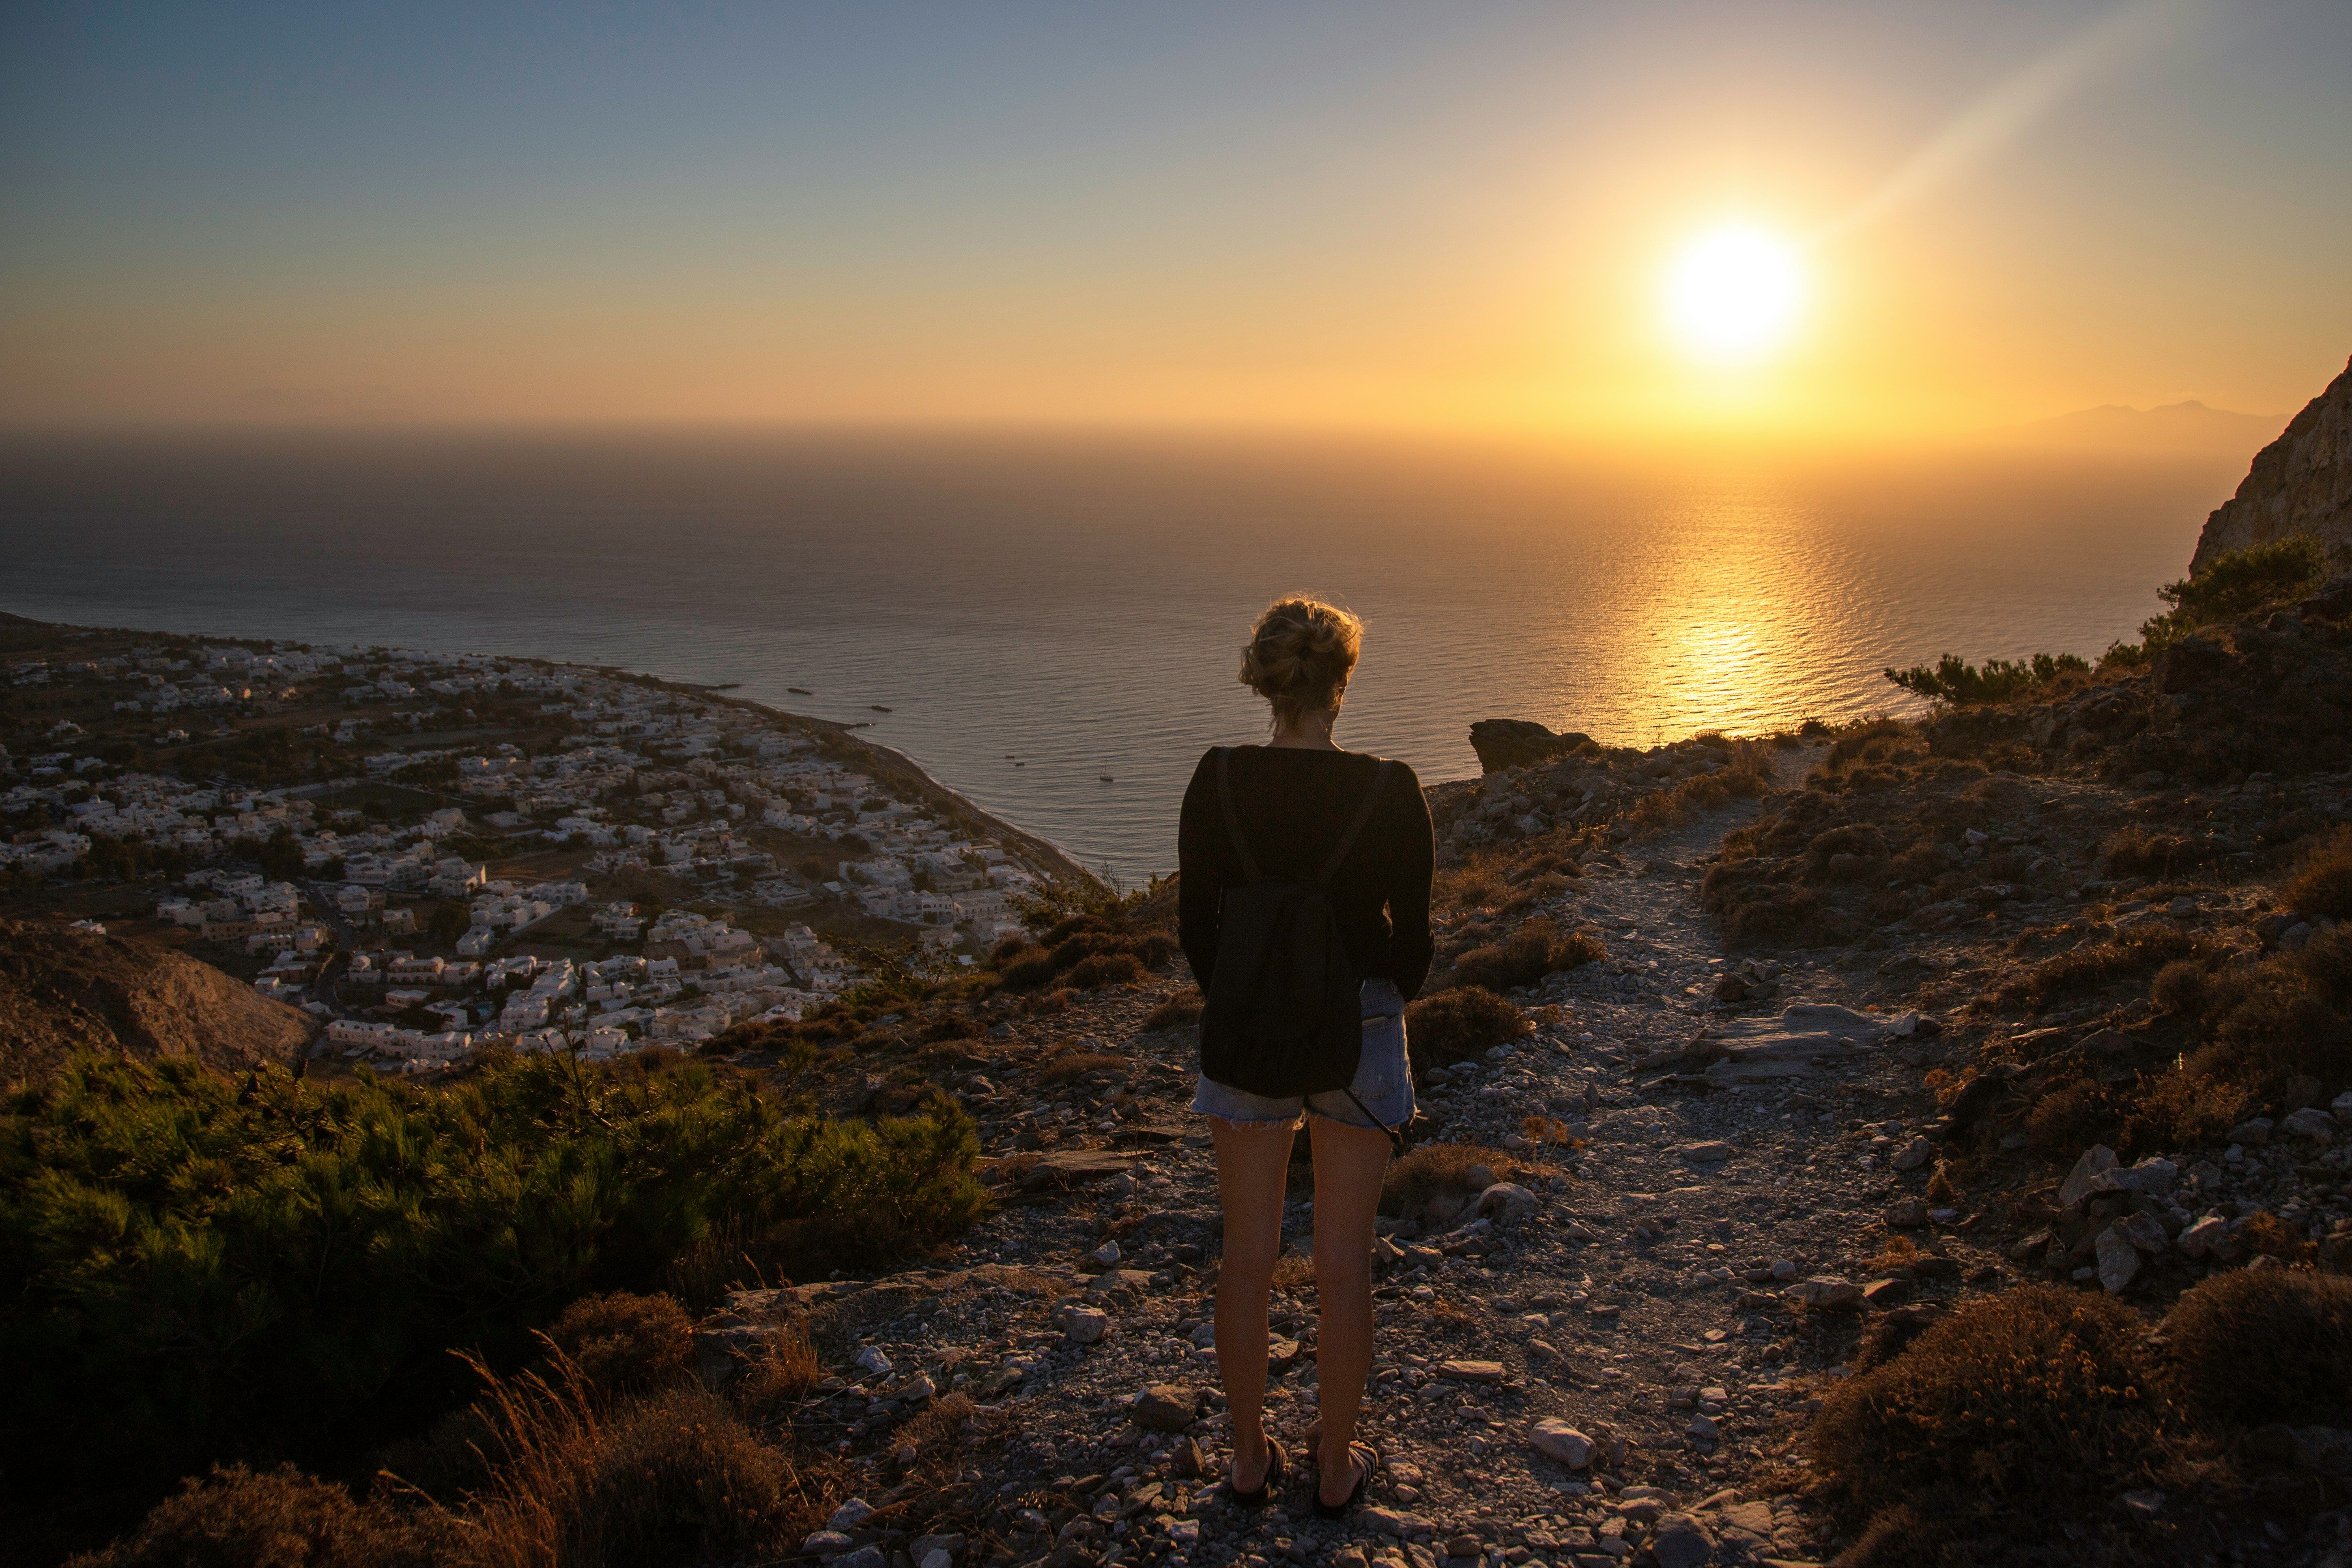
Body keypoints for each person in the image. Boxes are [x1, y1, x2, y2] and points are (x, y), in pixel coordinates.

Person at [1177, 594, 1434, 1518]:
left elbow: (1194, 929)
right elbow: (1414, 949)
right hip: (1358, 1029)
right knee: (1343, 1265)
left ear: (1262, 679)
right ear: (1343, 681)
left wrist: (1252, 991)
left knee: (1245, 1259)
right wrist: (1365, 992)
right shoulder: (1389, 789)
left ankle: (1248, 1460)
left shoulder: (1216, 779)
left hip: (1245, 1026)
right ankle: (1333, 1470)